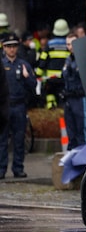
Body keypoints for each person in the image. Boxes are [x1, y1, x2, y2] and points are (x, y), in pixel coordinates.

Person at [0, 33, 35, 179]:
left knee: (19, 139)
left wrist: (27, 77)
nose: (12, 49)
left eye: (14, 46)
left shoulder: (23, 64)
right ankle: (1, 169)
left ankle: (18, 168)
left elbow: (33, 86)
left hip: (19, 106)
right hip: (3, 107)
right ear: (4, 48)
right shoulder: (1, 64)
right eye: (8, 47)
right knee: (2, 140)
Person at [62, 33, 86, 150]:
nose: (70, 46)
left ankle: (85, 160)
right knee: (71, 131)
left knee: (82, 130)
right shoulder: (68, 59)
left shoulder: (84, 58)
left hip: (80, 98)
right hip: (69, 99)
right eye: (68, 44)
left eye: (73, 43)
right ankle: (73, 160)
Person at [37, 18, 70, 109]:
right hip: (64, 77)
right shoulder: (69, 45)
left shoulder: (50, 44)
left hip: (51, 78)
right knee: (63, 98)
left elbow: (43, 60)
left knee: (50, 94)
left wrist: (38, 75)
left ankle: (51, 109)